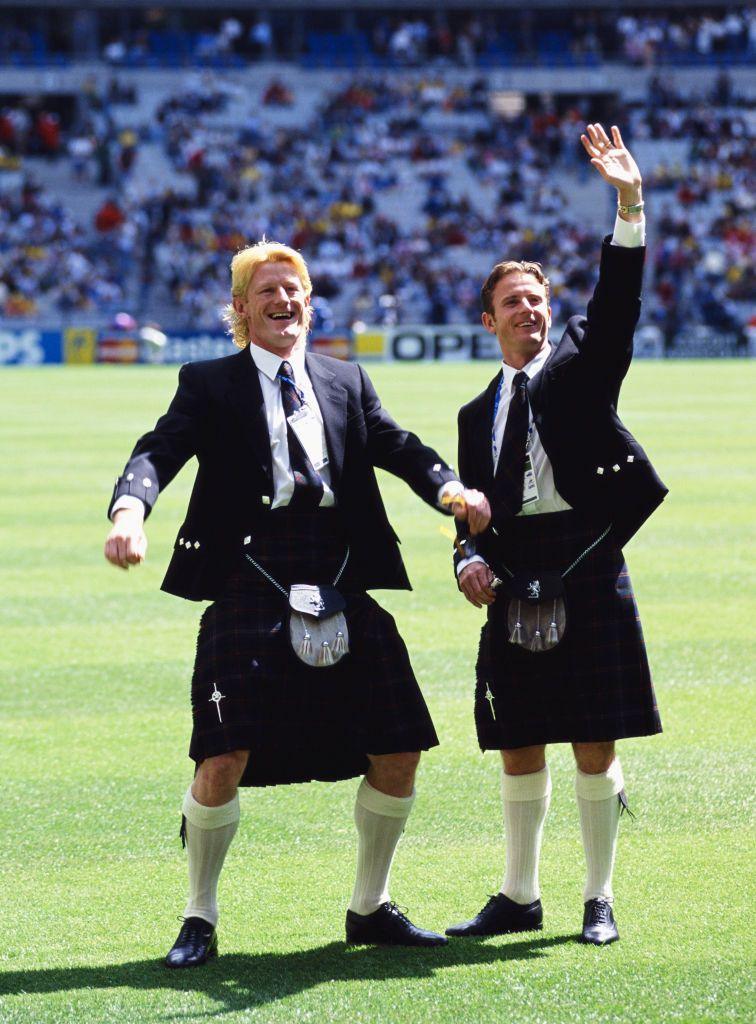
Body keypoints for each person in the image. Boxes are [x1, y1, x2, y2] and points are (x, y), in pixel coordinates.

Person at [104, 240, 490, 967]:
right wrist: (130, 512)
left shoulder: (343, 378)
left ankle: (370, 908)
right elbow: (158, 450)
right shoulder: (209, 383)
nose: (286, 302)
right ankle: (199, 915)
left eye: (297, 290)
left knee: (401, 745)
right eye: (269, 291)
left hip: (338, 567)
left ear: (310, 303)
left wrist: (448, 487)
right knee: (222, 754)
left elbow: (395, 443)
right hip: (250, 573)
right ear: (243, 310)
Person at [446, 124, 666, 946]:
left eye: (538, 300)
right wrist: (467, 553)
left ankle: (599, 897)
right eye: (514, 303)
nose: (529, 311)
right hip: (514, 569)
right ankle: (518, 894)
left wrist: (627, 202)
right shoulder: (475, 415)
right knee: (516, 739)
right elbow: (467, 506)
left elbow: (618, 300)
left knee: (593, 738)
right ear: (489, 320)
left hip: (585, 556)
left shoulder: (583, 360)